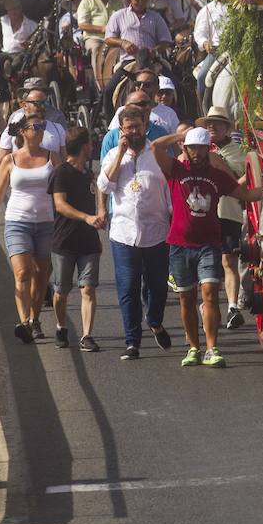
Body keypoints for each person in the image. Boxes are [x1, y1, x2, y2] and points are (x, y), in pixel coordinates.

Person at [151, 126, 263, 368]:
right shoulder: (175, 169)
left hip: (209, 244)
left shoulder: (217, 175)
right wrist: (180, 136)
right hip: (180, 246)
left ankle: (212, 348)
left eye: (201, 147)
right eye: (192, 147)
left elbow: (246, 194)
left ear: (207, 149)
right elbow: (155, 147)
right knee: (186, 299)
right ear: (186, 148)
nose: (197, 152)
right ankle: (194, 348)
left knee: (210, 294)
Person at [97, 106, 172, 360]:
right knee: (128, 289)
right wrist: (119, 152)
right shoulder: (113, 155)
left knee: (158, 287)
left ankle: (154, 320)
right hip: (124, 235)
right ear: (122, 130)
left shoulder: (157, 154)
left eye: (137, 127)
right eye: (128, 128)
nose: (133, 131)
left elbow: (170, 190)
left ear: (145, 126)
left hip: (157, 233)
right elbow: (105, 186)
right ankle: (132, 341)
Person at [0, 114, 60, 342]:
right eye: (35, 126)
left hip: (46, 223)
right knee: (23, 272)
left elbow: (64, 187)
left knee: (41, 275)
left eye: (42, 126)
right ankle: (24, 320)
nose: (39, 130)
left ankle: (35, 319)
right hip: (18, 222)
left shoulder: (52, 157)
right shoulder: (10, 160)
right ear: (23, 132)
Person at [48, 127, 106, 352]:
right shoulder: (61, 172)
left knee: (88, 289)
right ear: (84, 147)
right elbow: (60, 205)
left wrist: (100, 213)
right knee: (61, 290)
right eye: (91, 144)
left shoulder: (89, 175)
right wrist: (87, 218)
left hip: (89, 243)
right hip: (64, 242)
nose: (92, 148)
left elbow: (99, 191)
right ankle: (61, 326)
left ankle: (87, 336)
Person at [196, 106, 246, 330]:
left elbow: (238, 179)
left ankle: (233, 306)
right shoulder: (198, 150)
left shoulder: (236, 151)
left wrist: (217, 162)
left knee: (228, 260)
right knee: (205, 263)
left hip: (227, 210)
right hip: (203, 212)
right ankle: (207, 304)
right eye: (209, 123)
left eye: (217, 123)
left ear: (227, 128)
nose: (212, 127)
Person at [0, 86, 65, 213]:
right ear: (25, 105)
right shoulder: (12, 131)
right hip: (20, 208)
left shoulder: (58, 129)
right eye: (38, 103)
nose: (43, 106)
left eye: (45, 102)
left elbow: (64, 164)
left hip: (51, 203)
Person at [103, 0, 173, 121]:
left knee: (176, 84)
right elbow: (108, 39)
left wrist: (156, 49)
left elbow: (166, 39)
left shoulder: (156, 17)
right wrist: (123, 43)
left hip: (152, 59)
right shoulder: (119, 15)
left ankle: (181, 114)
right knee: (109, 90)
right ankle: (110, 121)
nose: (139, 2)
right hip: (129, 61)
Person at [77, 0, 122, 87]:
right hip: (95, 38)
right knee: (96, 50)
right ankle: (100, 86)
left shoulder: (116, 1)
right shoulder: (86, 2)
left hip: (115, 38)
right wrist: (102, 29)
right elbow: (82, 25)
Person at [0, 0, 37, 103]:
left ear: (20, 9)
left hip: (22, 53)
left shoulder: (31, 24)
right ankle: (2, 94)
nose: (13, 12)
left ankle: (9, 72)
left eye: (15, 9)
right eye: (10, 10)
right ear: (7, 11)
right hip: (6, 53)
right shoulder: (3, 20)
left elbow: (35, 43)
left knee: (17, 62)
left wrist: (28, 45)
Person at [107, 69, 179, 135]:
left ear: (157, 88)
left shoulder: (169, 113)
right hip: (129, 60)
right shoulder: (122, 110)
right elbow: (113, 137)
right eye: (138, 84)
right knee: (108, 90)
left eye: (147, 85)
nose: (141, 88)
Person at [193, 0, 227, 111]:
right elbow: (200, 32)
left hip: (241, 50)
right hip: (218, 50)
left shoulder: (243, 4)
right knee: (203, 76)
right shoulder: (208, 9)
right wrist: (205, 43)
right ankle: (204, 110)